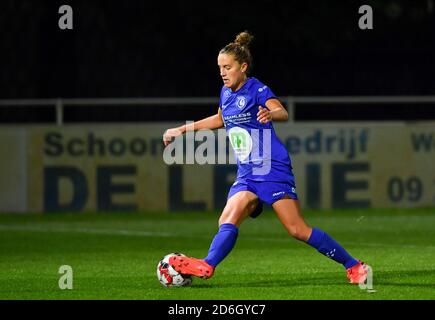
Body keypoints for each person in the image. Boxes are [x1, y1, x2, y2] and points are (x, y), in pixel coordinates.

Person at [163, 31, 369, 284]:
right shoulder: (226, 94)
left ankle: (354, 266)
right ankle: (207, 265)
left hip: (271, 166)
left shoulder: (257, 89)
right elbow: (220, 119)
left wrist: (271, 115)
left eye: (228, 67)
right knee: (227, 218)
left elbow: (281, 111)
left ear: (243, 67)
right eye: (220, 68)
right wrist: (182, 129)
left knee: (297, 229)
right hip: (247, 171)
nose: (223, 72)